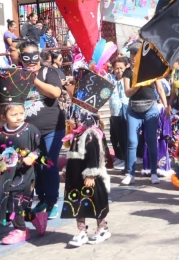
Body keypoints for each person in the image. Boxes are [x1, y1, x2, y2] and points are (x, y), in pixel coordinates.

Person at [0, 68, 48, 244]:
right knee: (11, 202)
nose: (18, 117)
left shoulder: (31, 130)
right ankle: (36, 217)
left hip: (26, 173)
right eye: (13, 114)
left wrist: (34, 156)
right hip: (8, 173)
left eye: (21, 113)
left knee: (18, 201)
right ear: (3, 115)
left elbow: (41, 149)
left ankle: (21, 230)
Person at [62, 67, 114, 247]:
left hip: (89, 176)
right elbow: (74, 154)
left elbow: (92, 155)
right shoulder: (76, 135)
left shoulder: (90, 135)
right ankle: (81, 230)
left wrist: (91, 174)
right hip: (77, 174)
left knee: (94, 199)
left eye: (72, 116)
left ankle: (102, 228)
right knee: (76, 200)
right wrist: (67, 170)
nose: (69, 119)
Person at [14, 41, 65, 219]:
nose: (32, 61)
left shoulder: (48, 71)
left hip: (52, 128)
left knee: (48, 165)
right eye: (27, 57)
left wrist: (33, 79)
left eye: (35, 56)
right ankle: (42, 200)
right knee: (35, 167)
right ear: (21, 58)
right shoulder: (16, 75)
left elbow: (55, 93)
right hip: (28, 131)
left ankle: (52, 202)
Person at [122, 43, 168, 186]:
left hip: (150, 107)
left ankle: (154, 172)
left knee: (151, 140)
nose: (133, 56)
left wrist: (166, 107)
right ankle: (130, 174)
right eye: (131, 53)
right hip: (133, 108)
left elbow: (160, 89)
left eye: (136, 53)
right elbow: (127, 92)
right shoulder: (128, 72)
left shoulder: (152, 70)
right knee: (132, 142)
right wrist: (138, 85)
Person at [108, 57, 129, 170]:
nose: (119, 71)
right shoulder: (110, 79)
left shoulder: (130, 78)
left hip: (128, 111)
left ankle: (128, 162)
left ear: (126, 67)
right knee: (118, 138)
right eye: (116, 68)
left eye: (121, 68)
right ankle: (123, 159)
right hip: (115, 112)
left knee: (127, 138)